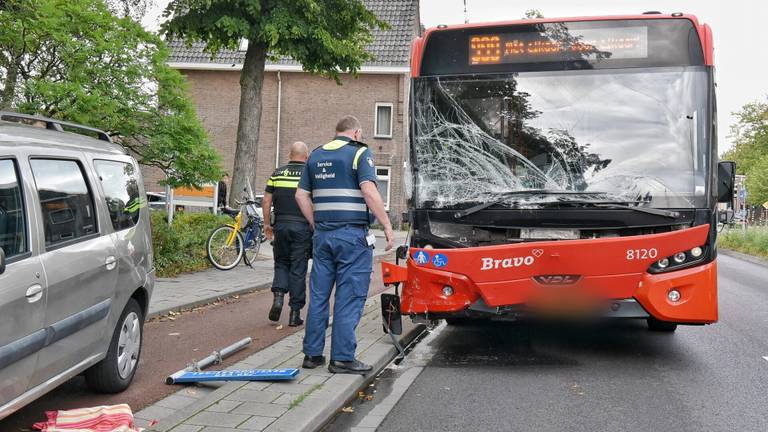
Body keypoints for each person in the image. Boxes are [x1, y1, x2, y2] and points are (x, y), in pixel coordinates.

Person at [295, 115, 394, 375]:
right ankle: (342, 358)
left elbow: (301, 195)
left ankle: (312, 354)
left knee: (318, 296)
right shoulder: (359, 154)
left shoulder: (315, 156)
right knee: (349, 297)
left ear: (336, 132)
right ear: (357, 133)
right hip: (351, 237)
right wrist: (386, 224)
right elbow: (370, 191)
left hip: (323, 236)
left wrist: (315, 222)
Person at [263, 142, 313, 327]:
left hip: (281, 226)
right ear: (306, 156)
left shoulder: (277, 173)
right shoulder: (309, 174)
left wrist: (267, 224)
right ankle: (294, 313)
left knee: (281, 263)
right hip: (301, 228)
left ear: (290, 154)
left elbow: (267, 201)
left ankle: (278, 299)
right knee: (298, 269)